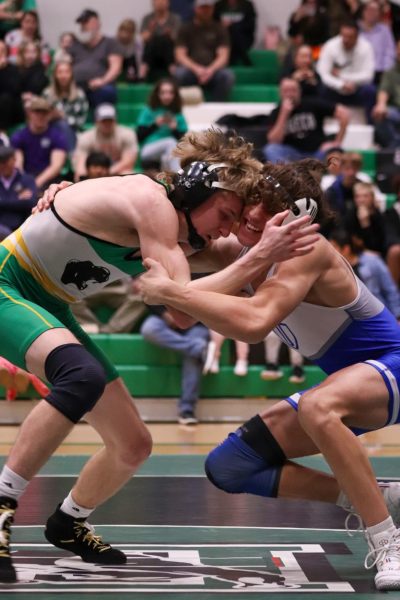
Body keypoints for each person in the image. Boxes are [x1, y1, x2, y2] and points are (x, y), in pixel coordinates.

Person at [0, 128, 319, 583]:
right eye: (225, 214)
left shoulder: (184, 229)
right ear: (197, 190)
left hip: (47, 304)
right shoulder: (152, 204)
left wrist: (274, 240)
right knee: (81, 376)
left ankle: (68, 522)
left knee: (134, 444)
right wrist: (253, 259)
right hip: (7, 285)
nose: (226, 228)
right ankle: (3, 503)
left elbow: (237, 258)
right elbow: (181, 310)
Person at [138, 157, 400, 592]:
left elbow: (255, 321)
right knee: (230, 465)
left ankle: (387, 539)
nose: (255, 214)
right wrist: (79, 196)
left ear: (296, 221)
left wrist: (170, 289)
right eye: (256, 200)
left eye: (272, 209)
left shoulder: (306, 251)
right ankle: (377, 495)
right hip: (355, 382)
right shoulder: (241, 250)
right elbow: (180, 313)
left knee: (319, 405)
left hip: (392, 367)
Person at [140, 307, 209, 424]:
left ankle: (187, 410)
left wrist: (188, 318)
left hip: (198, 323)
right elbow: (148, 299)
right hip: (164, 317)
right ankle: (197, 348)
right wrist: (165, 314)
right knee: (149, 328)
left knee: (192, 358)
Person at [263, 78, 349, 163]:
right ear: (280, 93)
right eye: (286, 91)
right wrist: (284, 114)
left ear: (300, 91)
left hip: (317, 152)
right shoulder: (276, 112)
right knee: (270, 149)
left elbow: (344, 113)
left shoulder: (312, 104)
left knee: (335, 153)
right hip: (292, 154)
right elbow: (274, 141)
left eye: (293, 90)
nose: (290, 94)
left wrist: (337, 142)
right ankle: (289, 175)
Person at [329, 228, 400, 319]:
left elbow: (389, 289)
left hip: (382, 313)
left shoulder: (372, 261)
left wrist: (398, 316)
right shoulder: (336, 273)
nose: (331, 252)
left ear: (346, 249)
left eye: (334, 247)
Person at [174, 0, 235, 101]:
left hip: (213, 70)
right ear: (195, 9)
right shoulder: (185, 28)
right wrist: (197, 69)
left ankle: (217, 108)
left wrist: (210, 70)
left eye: (208, 8)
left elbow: (223, 56)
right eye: (202, 8)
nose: (205, 11)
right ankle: (186, 107)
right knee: (180, 74)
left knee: (227, 76)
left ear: (212, 9)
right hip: (191, 70)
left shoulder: (220, 29)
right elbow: (180, 55)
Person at [317, 20, 376, 123]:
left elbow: (368, 76)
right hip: (335, 89)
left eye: (350, 37)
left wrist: (342, 76)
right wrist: (340, 84)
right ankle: (320, 126)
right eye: (343, 36)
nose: (346, 40)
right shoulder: (330, 46)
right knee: (320, 88)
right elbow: (323, 74)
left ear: (357, 36)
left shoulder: (366, 47)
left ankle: (371, 127)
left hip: (357, 89)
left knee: (370, 90)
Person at [10, 96, 68, 192]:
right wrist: (25, 182)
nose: (41, 116)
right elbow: (17, 163)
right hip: (26, 177)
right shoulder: (19, 136)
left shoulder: (57, 137)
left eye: (44, 113)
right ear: (29, 113)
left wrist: (35, 184)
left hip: (48, 179)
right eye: (37, 112)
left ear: (49, 114)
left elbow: (56, 166)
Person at [67, 9, 123, 108]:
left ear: (97, 23)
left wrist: (102, 81)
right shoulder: (74, 45)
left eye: (86, 23)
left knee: (106, 92)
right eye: (81, 24)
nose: (83, 27)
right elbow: (65, 65)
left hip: (100, 86)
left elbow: (116, 68)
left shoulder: (110, 43)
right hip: (76, 87)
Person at [73, 103, 138, 181]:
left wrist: (105, 173)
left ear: (115, 120)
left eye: (110, 120)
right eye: (104, 121)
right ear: (97, 121)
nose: (107, 124)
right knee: (80, 176)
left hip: (116, 173)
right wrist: (85, 176)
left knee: (129, 174)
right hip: (93, 172)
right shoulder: (86, 138)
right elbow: (81, 165)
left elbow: (128, 162)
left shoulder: (127, 134)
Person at [137, 78, 188, 172]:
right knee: (170, 142)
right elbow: (139, 136)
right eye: (163, 92)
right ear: (157, 94)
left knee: (167, 156)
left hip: (168, 152)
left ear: (175, 95)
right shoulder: (149, 110)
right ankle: (178, 175)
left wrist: (174, 129)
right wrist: (155, 125)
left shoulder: (178, 114)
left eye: (170, 93)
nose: (167, 96)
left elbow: (183, 142)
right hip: (148, 150)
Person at [42, 61, 89, 154]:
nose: (63, 76)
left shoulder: (79, 95)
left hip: (72, 131)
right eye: (60, 72)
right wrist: (50, 117)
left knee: (62, 124)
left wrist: (62, 116)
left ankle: (72, 155)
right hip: (49, 129)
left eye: (67, 72)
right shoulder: (47, 94)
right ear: (55, 75)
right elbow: (41, 117)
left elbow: (80, 121)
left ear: (71, 75)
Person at [139, 0, 181, 81]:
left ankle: (173, 71)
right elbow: (143, 38)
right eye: (157, 1)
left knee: (165, 41)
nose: (160, 3)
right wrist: (151, 30)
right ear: (153, 3)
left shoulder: (175, 18)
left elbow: (178, 39)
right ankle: (143, 72)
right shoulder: (147, 18)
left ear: (168, 3)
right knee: (153, 41)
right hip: (151, 55)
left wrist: (170, 34)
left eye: (163, 1)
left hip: (169, 53)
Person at [0, 144, 37, 233]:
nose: (2, 166)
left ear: (14, 159)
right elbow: (23, 203)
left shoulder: (27, 179)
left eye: (5, 162)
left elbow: (30, 203)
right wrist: (17, 199)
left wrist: (3, 201)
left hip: (22, 227)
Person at [359, 0, 396, 85]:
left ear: (379, 14)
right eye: (369, 9)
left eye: (375, 10)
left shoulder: (385, 31)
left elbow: (390, 53)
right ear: (363, 11)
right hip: (358, 70)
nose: (371, 13)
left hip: (379, 72)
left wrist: (386, 72)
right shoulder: (355, 29)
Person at [372, 38, 400, 148]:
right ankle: (395, 148)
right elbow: (384, 90)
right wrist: (381, 105)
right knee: (379, 114)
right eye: (398, 48)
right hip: (396, 112)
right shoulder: (390, 72)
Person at [214, 0, 256, 66]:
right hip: (223, 39)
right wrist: (221, 25)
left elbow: (251, 25)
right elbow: (213, 24)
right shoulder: (218, 5)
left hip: (243, 38)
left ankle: (230, 60)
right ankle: (243, 56)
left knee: (233, 30)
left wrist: (233, 25)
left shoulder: (247, 5)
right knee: (229, 32)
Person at [116, 18, 142, 83]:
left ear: (132, 33)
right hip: (119, 60)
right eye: (123, 30)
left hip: (131, 61)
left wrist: (139, 73)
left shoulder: (137, 41)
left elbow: (139, 58)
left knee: (132, 64)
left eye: (128, 31)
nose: (125, 34)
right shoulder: (114, 40)